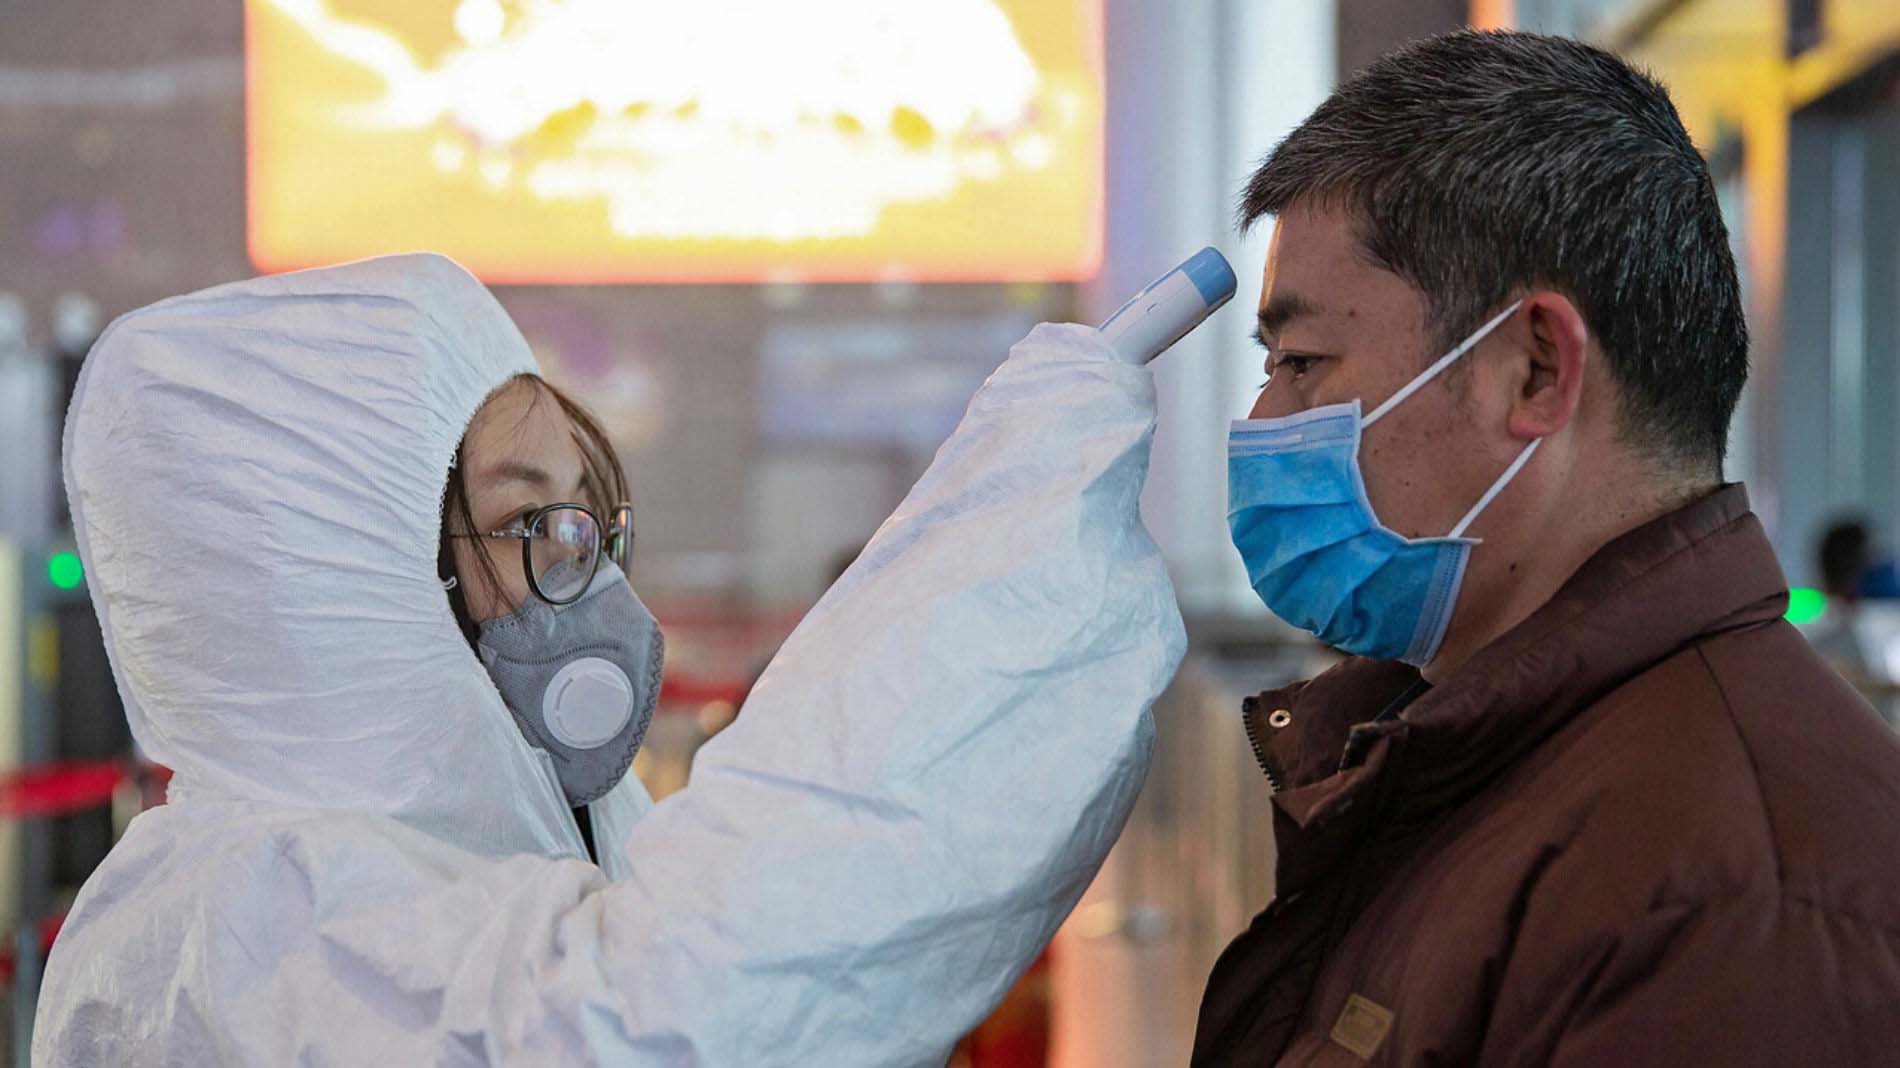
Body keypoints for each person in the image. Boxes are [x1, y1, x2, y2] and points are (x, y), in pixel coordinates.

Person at [36, 253, 1186, 1065]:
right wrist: (1012, 514)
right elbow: (685, 1018)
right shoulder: (243, 921)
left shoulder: (505, 838)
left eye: (584, 519)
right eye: (524, 522)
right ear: (331, 589)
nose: (583, 578)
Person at [1195, 30, 1900, 1066]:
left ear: (1534, 370)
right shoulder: (1480, 755)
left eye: (1301, 361)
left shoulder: (1734, 910)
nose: (1263, 419)